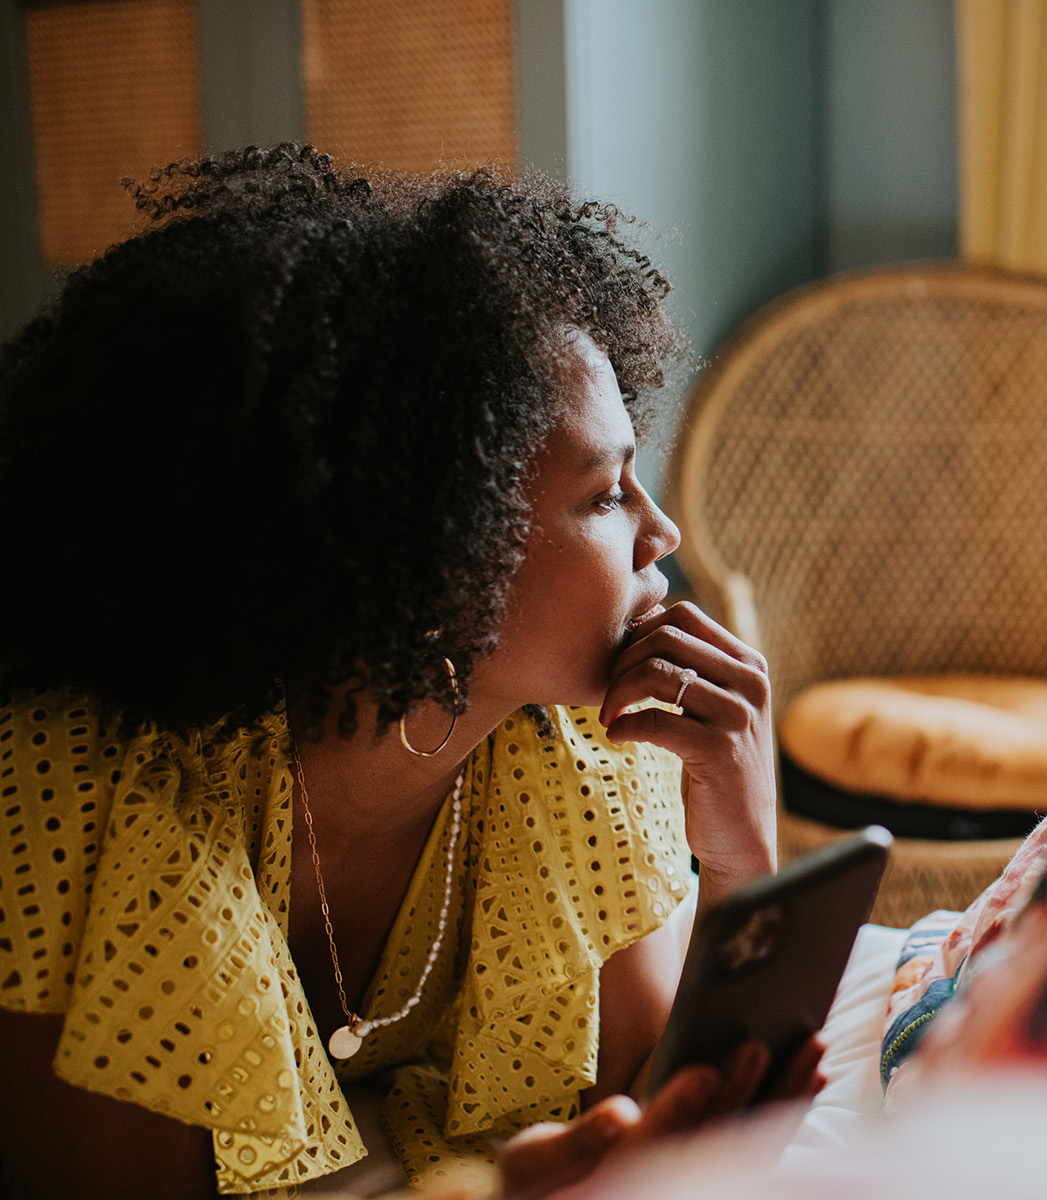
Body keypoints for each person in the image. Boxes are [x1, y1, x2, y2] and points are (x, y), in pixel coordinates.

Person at [0, 143, 817, 1199]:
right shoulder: (76, 800)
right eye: (608, 493)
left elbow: (663, 1122)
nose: (660, 530)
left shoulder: (595, 759)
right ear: (437, 545)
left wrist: (745, 861)